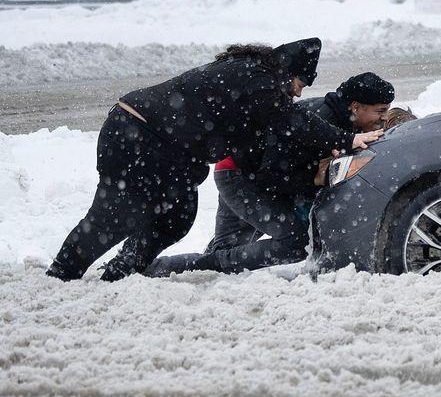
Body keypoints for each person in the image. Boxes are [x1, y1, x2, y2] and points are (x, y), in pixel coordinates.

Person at [46, 39, 382, 282]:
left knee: (177, 218)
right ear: (287, 72)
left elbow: (259, 139)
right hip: (136, 133)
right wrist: (347, 139)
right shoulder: (261, 78)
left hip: (168, 150)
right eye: (298, 84)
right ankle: (60, 277)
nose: (296, 93)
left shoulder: (256, 80)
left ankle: (121, 271)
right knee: (115, 215)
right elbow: (292, 122)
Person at [147, 72, 396, 276]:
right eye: (380, 111)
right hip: (239, 176)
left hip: (244, 172)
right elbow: (276, 173)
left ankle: (158, 269)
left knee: (225, 254)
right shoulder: (323, 120)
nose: (384, 118)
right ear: (355, 106)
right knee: (293, 242)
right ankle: (160, 267)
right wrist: (314, 178)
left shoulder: (342, 119)